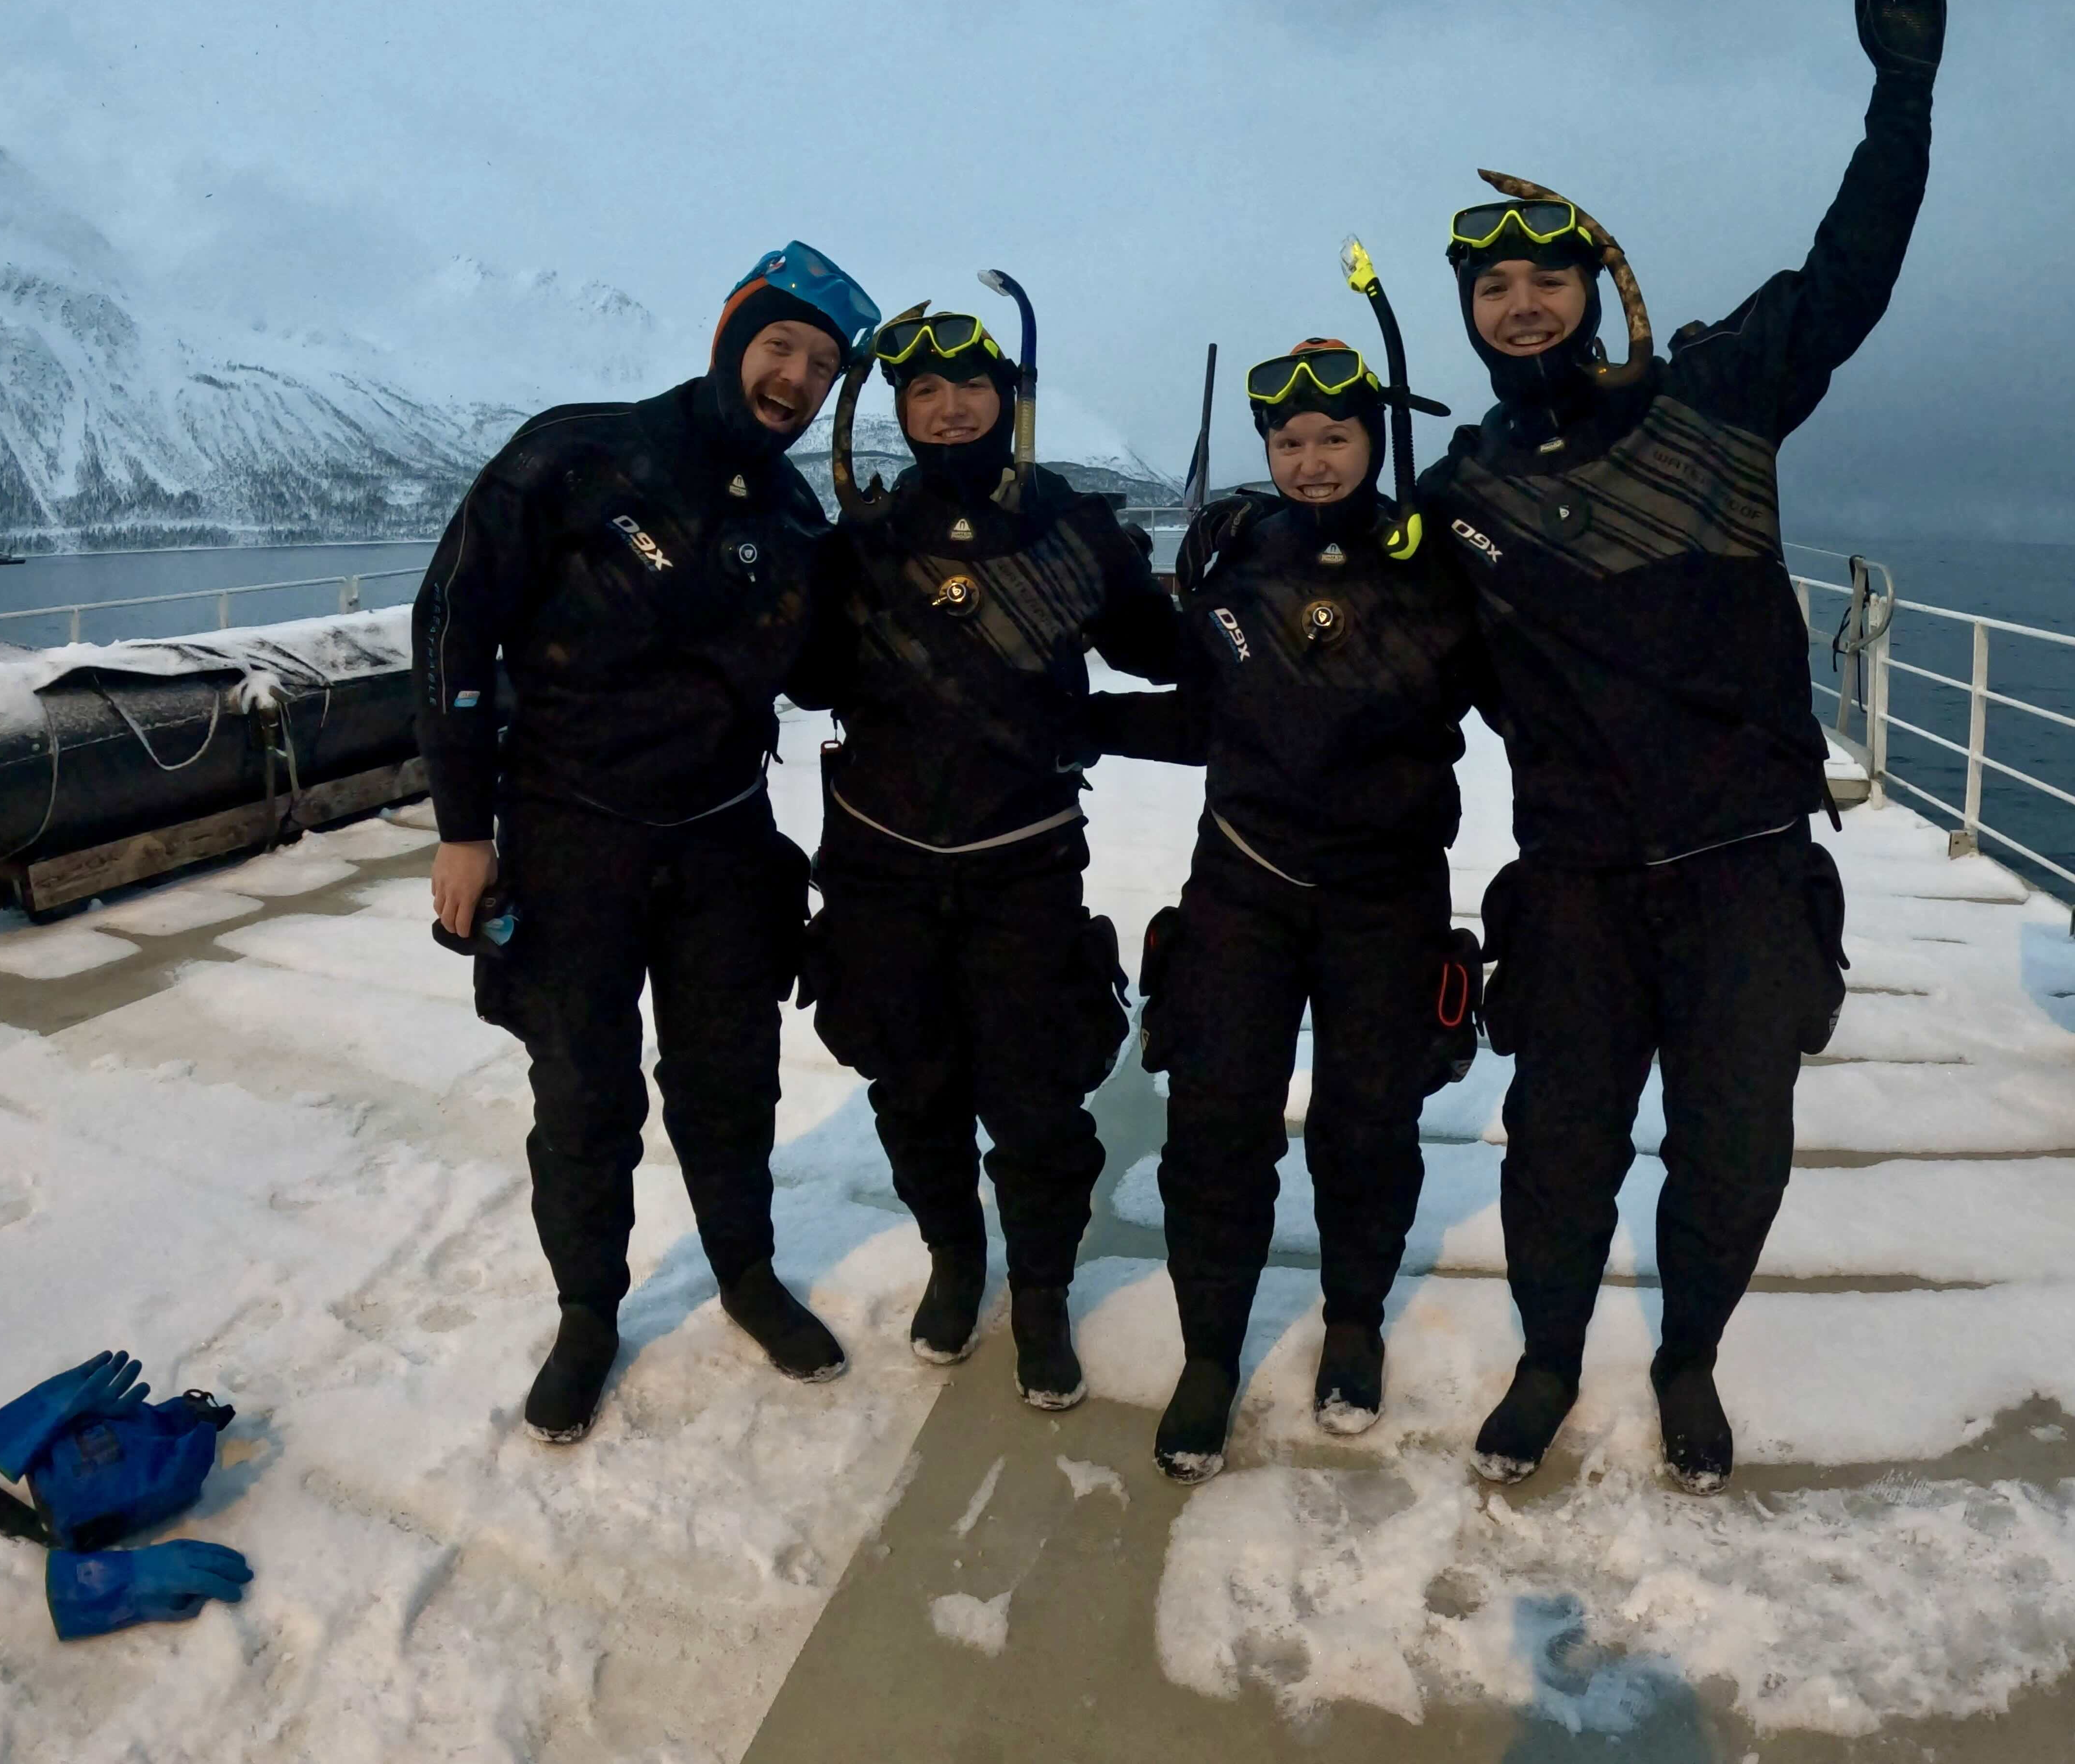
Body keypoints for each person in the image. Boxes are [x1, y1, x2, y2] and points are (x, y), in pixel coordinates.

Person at [1416, 0, 1944, 1491]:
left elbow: (1853, 269)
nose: (1520, 308)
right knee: (1559, 1152)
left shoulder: (1718, 397)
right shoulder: (1459, 497)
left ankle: (1691, 1355)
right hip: (1577, 882)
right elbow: (1408, 684)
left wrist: (1900, 94)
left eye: (1547, 280)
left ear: (1602, 287)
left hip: (1743, 871)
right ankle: (1547, 1357)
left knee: (1732, 1153)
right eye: (1493, 290)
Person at [413, 241, 882, 1444]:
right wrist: (465, 827)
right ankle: (587, 1313)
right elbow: (455, 622)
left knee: (729, 1080)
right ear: (733, 335)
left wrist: (873, 567)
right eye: (779, 347)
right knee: (582, 1088)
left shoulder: (790, 513)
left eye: (821, 367)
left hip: (724, 836)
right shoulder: (579, 453)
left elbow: (829, 673)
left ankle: (746, 1273)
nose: (794, 378)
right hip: (573, 833)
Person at [1093, 317, 1488, 1482]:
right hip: (1242, 888)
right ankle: (1210, 1352)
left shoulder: (1435, 563)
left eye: (1333, 436)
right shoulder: (1233, 559)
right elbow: (1201, 716)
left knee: (1370, 1131)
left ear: (1373, 437)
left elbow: (1533, 693)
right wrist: (1059, 724)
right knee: (1215, 1133)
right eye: (1290, 440)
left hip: (1387, 895)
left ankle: (1354, 1322)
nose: (1311, 459)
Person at [796, 286, 1179, 1409]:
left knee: (1035, 1096)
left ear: (1010, 404)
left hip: (1024, 860)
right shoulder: (860, 541)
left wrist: (1233, 581)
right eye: (925, 391)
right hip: (881, 865)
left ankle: (1046, 1289)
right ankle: (957, 1258)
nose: (950, 407)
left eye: (972, 388)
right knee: (913, 1086)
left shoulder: (1072, 527)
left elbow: (1164, 656)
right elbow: (807, 677)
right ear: (899, 410)